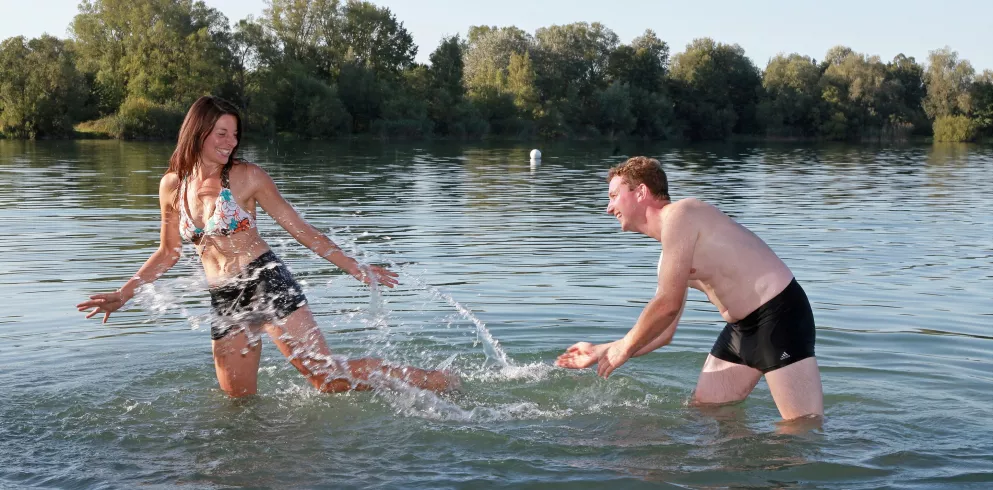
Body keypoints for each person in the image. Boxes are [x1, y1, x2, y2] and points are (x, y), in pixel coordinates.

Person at [77, 96, 455, 397]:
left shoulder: (247, 177)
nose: (231, 142)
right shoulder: (171, 186)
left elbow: (301, 229)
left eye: (234, 134)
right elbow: (168, 252)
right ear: (198, 132)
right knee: (237, 403)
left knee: (326, 377)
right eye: (221, 133)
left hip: (266, 282)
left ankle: (436, 380)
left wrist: (355, 267)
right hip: (225, 298)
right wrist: (124, 293)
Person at [555, 156, 823, 420]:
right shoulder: (670, 258)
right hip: (743, 330)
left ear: (641, 192)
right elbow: (664, 332)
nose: (609, 207)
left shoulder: (683, 214)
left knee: (802, 431)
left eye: (614, 195)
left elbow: (667, 305)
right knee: (705, 412)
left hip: (780, 317)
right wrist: (603, 349)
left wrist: (624, 348)